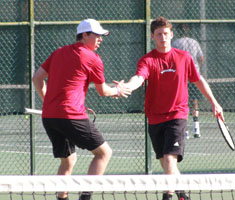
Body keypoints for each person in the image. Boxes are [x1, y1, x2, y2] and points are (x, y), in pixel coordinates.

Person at [123, 17, 224, 200]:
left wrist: (214, 102)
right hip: (155, 118)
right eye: (159, 34)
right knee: (167, 165)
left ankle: (167, 196)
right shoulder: (147, 60)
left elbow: (198, 80)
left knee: (170, 160)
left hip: (177, 116)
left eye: (166, 34)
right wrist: (126, 87)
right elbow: (139, 78)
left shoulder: (184, 57)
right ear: (153, 36)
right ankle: (183, 196)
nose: (163, 37)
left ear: (172, 35)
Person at [32, 19, 132, 200]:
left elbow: (37, 78)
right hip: (71, 116)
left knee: (68, 160)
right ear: (84, 35)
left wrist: (48, 102)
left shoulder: (58, 52)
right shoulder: (93, 58)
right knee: (104, 153)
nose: (101, 39)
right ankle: (85, 197)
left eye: (102, 36)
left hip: (50, 117)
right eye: (97, 35)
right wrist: (118, 90)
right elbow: (103, 91)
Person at [172, 24, 204, 138]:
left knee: (182, 102)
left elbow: (171, 58)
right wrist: (196, 66)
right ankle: (196, 129)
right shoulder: (194, 42)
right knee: (194, 101)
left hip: (182, 76)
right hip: (194, 75)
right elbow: (201, 58)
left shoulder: (175, 43)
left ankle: (185, 132)